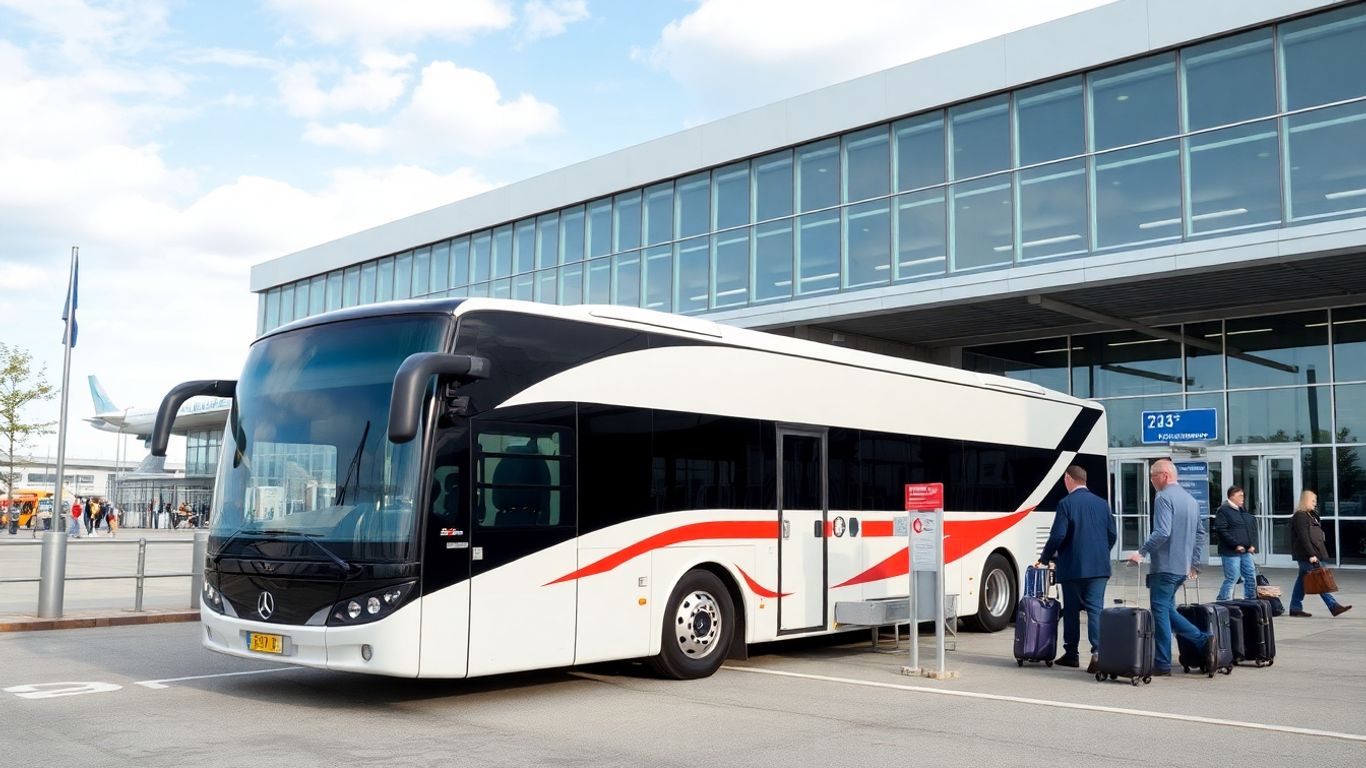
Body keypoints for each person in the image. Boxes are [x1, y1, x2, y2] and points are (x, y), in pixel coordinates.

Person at [1126, 458, 1213, 677]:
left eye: (1153, 477)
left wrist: (1142, 552)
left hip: (1164, 567)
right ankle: (1200, 641)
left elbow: (1163, 532)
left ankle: (1166, 661)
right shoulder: (1191, 500)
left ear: (1163, 475)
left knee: (1160, 611)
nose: (1152, 481)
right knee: (1167, 609)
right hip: (1181, 568)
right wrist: (1193, 563)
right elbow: (1200, 534)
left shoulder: (1163, 497)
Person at [1036, 464, 1116, 673]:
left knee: (1071, 611)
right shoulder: (1102, 504)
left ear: (1068, 479)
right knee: (1095, 610)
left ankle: (1071, 654)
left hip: (1073, 568)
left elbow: (1058, 536)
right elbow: (1112, 534)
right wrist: (1100, 552)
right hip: (1099, 568)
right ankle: (1099, 654)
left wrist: (1045, 558)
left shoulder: (1066, 503)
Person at [1288, 490, 1352, 617]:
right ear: (1306, 501)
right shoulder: (1300, 516)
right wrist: (1311, 554)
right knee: (1319, 578)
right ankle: (1333, 606)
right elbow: (1303, 537)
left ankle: (1295, 607)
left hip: (1313, 553)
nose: (1315, 503)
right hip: (1306, 555)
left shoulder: (1310, 515)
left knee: (1302, 580)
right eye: (1312, 501)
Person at [1213, 485, 1257, 601]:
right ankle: (1224, 600)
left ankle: (1251, 600)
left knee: (1250, 575)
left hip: (1246, 551)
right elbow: (1221, 530)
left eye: (1243, 495)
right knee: (1232, 577)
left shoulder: (1242, 510)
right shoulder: (1223, 510)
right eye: (1240, 496)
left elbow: (1247, 529)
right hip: (1230, 552)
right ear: (1232, 496)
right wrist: (1236, 545)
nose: (1243, 498)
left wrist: (1250, 544)